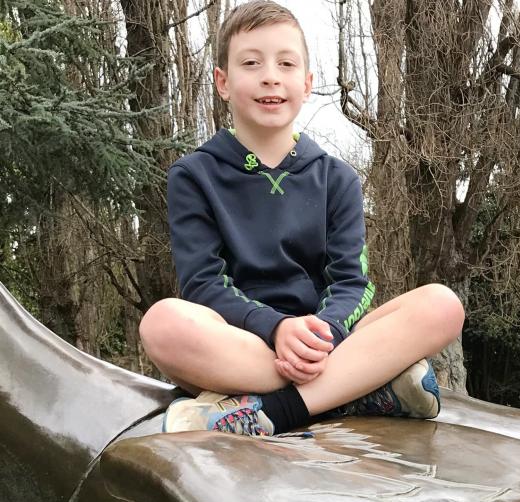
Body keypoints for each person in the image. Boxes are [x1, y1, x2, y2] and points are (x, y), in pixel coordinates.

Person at [139, 1, 464, 437]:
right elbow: (203, 285)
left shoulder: (338, 178)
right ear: (223, 82)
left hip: (326, 341)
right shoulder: (193, 175)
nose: (270, 75)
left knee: (442, 305)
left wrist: (322, 335)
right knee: (161, 324)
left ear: (307, 83)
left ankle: (273, 410)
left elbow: (352, 283)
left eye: (286, 63)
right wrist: (276, 329)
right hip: (242, 344)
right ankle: (360, 388)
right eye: (251, 63)